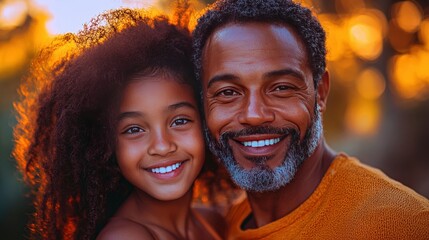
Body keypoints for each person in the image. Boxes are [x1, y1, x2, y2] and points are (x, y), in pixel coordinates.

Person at [192, 0, 429, 239]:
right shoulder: (219, 228)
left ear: (321, 93)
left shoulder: (401, 223)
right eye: (228, 92)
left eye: (281, 88)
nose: (254, 115)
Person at [13, 8, 225, 240]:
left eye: (179, 121)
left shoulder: (216, 221)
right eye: (134, 129)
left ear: (206, 120)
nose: (162, 146)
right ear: (104, 145)